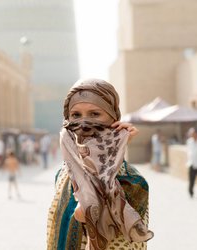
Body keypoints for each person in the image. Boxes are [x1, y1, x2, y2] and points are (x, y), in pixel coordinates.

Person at [47, 78, 153, 250]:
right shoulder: (63, 175)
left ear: (114, 118)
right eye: (76, 115)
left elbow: (124, 239)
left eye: (95, 114)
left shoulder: (133, 182)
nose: (84, 123)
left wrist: (117, 147)